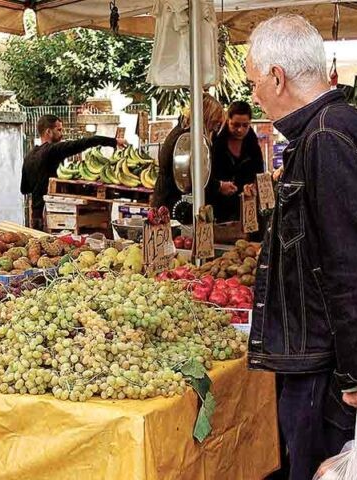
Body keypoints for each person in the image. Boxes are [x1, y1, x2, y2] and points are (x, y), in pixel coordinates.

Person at [246, 14, 357, 480]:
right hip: (319, 356)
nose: (253, 94)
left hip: (324, 367)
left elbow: (346, 263)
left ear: (277, 76)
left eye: (253, 82)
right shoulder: (330, 128)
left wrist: (354, 373)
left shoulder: (327, 137)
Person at [20, 114, 125, 230]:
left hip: (35, 218)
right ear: (48, 132)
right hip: (54, 214)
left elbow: (24, 189)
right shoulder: (52, 151)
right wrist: (114, 142)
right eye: (59, 130)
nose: (61, 134)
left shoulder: (29, 156)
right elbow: (84, 143)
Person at [151, 94, 225, 212]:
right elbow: (193, 175)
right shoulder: (187, 138)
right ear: (206, 117)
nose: (215, 129)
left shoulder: (182, 132)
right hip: (172, 201)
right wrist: (218, 186)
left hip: (167, 198)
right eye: (214, 122)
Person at [206, 101, 265, 222]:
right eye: (235, 125)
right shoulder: (215, 142)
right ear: (228, 121)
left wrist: (253, 186)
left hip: (246, 208)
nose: (240, 130)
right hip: (218, 209)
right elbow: (206, 175)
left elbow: (259, 172)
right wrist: (219, 186)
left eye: (245, 125)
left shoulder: (252, 144)